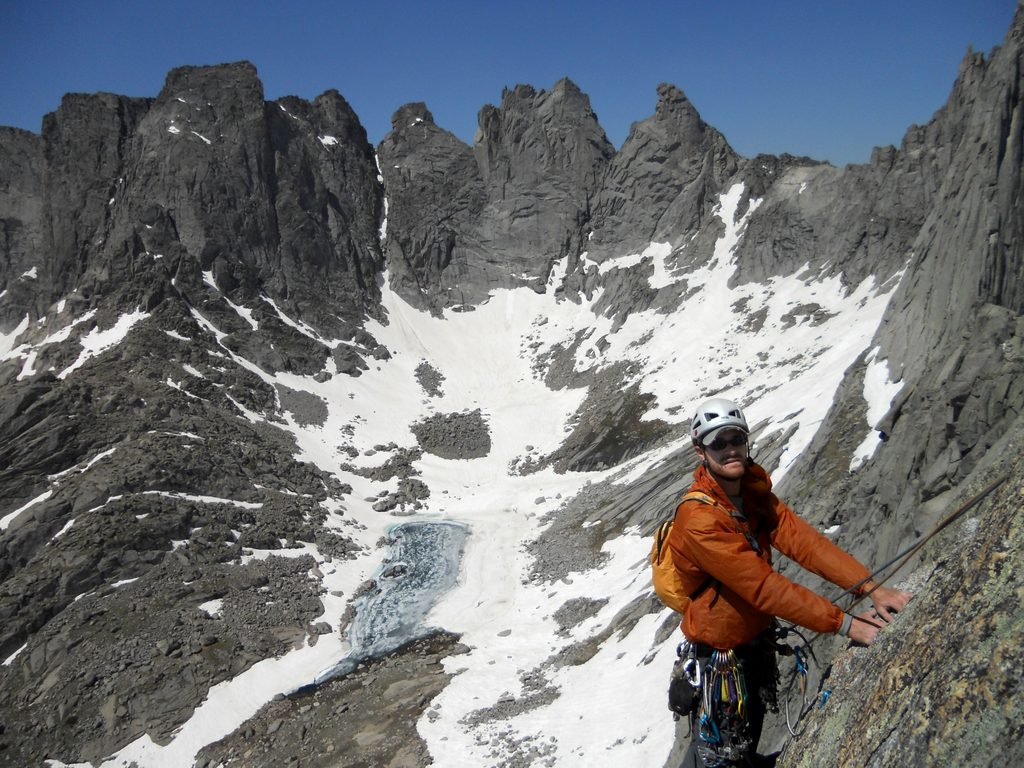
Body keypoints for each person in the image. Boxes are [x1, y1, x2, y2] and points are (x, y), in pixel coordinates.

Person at [669, 397, 911, 767]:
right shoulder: (698, 519)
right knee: (722, 759)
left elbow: (803, 542)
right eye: (718, 442)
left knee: (739, 753)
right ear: (700, 450)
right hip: (721, 662)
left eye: (736, 438)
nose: (730, 449)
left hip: (753, 647)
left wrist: (871, 589)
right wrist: (847, 625)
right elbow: (762, 587)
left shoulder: (751, 494)